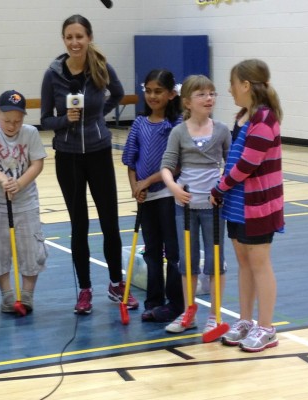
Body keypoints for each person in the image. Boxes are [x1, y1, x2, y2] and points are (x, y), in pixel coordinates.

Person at [41, 14, 136, 314]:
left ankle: (116, 284)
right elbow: (44, 119)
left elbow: (119, 94)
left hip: (98, 152)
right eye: (69, 37)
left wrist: (98, 116)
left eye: (79, 36)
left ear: (89, 37)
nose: (74, 42)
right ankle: (84, 290)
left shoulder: (101, 68)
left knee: (109, 222)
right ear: (63, 40)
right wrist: (63, 121)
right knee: (79, 225)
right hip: (67, 156)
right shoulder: (52, 74)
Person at [211, 59, 284, 352]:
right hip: (237, 204)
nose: (229, 90)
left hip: (259, 205)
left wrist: (221, 186)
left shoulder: (265, 120)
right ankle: (245, 320)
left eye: (232, 84)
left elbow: (247, 164)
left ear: (245, 85)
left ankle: (267, 327)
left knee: (259, 263)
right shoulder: (244, 117)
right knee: (243, 263)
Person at [160, 75, 232, 334]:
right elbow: (166, 166)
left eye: (212, 93)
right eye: (202, 94)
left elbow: (231, 166)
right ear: (187, 101)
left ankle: (215, 315)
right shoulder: (178, 132)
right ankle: (188, 311)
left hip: (214, 208)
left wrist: (222, 187)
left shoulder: (222, 130)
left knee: (215, 261)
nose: (209, 98)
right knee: (187, 262)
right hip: (186, 208)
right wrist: (175, 188)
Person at [0, 90, 47, 313]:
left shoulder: (31, 133)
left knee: (31, 249)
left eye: (17, 121)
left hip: (26, 203)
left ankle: (26, 296)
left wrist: (20, 183)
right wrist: (3, 179)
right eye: (7, 121)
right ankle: (6, 295)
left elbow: (37, 163)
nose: (12, 126)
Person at [121, 69, 184, 323]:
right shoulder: (139, 123)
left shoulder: (177, 125)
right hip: (146, 198)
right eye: (148, 91)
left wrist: (147, 181)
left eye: (158, 91)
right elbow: (130, 160)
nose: (152, 96)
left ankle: (175, 302)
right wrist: (135, 186)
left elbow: (176, 164)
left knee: (173, 252)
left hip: (169, 195)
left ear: (171, 94)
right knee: (152, 252)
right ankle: (154, 301)